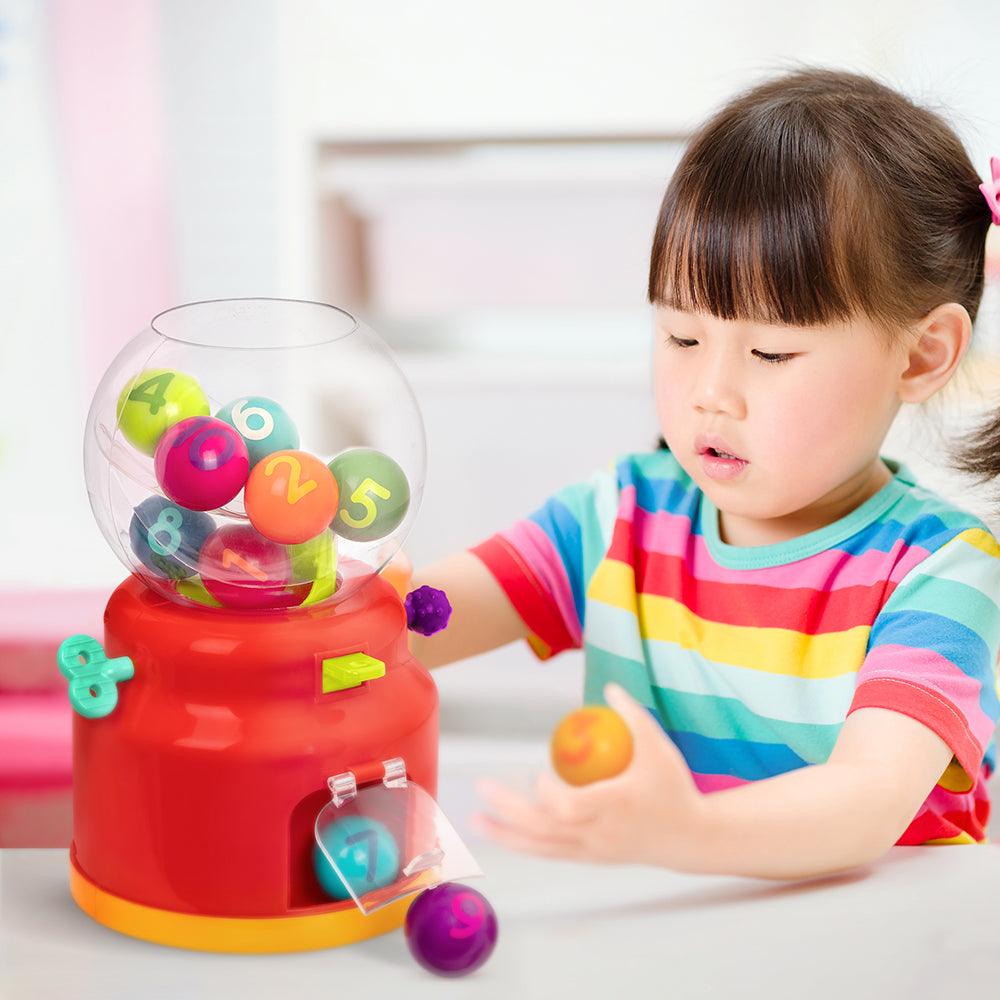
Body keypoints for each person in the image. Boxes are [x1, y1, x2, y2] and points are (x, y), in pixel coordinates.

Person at [405, 67, 1000, 881]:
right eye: (682, 337)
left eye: (771, 352)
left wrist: (688, 830)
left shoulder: (941, 574)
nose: (710, 392)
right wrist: (329, 605)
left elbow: (868, 800)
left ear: (923, 354)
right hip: (671, 932)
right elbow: (428, 619)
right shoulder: (619, 518)